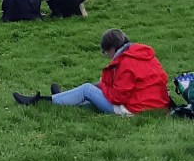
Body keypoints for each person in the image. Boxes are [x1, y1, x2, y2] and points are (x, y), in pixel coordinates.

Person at [13, 28, 170, 115]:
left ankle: (42, 101)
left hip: (136, 108)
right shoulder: (144, 55)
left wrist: (103, 85)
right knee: (92, 98)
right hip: (156, 104)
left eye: (105, 52)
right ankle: (61, 98)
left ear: (112, 48)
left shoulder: (126, 63)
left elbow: (117, 97)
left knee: (87, 89)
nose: (107, 56)